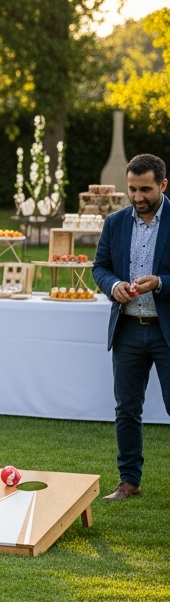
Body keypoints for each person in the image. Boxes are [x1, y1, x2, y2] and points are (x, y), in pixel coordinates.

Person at [92, 153, 170, 501]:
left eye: (146, 190)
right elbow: (101, 267)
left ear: (163, 185)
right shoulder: (116, 222)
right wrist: (112, 286)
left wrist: (161, 283)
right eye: (132, 189)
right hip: (127, 329)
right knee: (126, 408)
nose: (138, 197)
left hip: (165, 330)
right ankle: (129, 481)